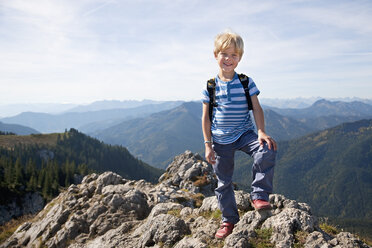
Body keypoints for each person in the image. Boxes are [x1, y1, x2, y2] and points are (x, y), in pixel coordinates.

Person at [201, 30, 277, 239]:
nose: (229, 59)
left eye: (234, 55)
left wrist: (261, 131)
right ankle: (229, 220)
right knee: (223, 183)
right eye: (224, 54)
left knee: (266, 148)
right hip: (220, 140)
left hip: (245, 133)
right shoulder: (210, 86)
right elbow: (206, 117)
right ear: (215, 55)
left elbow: (257, 108)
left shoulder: (246, 82)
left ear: (240, 58)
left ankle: (259, 195)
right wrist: (208, 144)